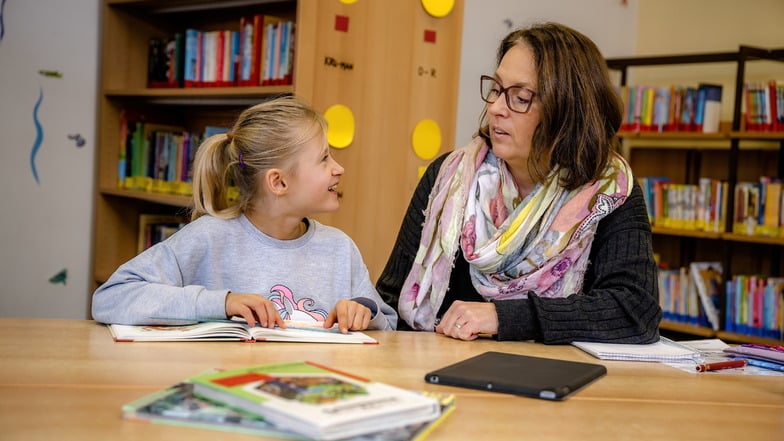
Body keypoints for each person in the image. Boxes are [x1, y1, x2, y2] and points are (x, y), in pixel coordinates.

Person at [376, 22, 661, 343]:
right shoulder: (449, 176)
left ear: (567, 110)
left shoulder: (607, 191)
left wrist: (505, 316)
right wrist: (363, 311)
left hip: (551, 380)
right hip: (438, 373)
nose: (496, 108)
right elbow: (390, 299)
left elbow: (635, 312)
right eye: (496, 90)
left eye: (521, 97)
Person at [92, 96, 397, 333]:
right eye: (324, 158)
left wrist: (363, 311)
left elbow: (387, 322)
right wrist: (221, 302)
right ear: (278, 182)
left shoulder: (340, 248)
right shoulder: (209, 237)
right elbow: (111, 298)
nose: (338, 168)